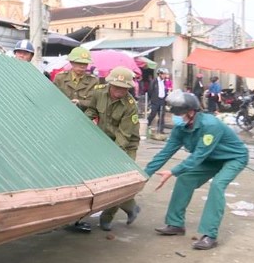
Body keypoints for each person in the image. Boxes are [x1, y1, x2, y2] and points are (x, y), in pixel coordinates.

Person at [144, 90, 248, 250]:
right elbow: (165, 152)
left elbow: (198, 156)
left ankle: (210, 235)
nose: (175, 116)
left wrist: (172, 171)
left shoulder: (210, 125)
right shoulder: (180, 128)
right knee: (185, 179)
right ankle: (175, 224)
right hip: (210, 159)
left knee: (217, 185)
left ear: (191, 112)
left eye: (179, 113)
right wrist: (144, 174)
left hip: (233, 158)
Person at [84, 66, 141, 231]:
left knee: (117, 182)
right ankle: (131, 207)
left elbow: (124, 136)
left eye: (124, 88)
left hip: (125, 145)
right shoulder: (98, 92)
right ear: (109, 84)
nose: (119, 91)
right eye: (116, 87)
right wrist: (83, 124)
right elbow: (92, 110)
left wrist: (111, 157)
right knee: (100, 178)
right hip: (104, 140)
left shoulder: (130, 106)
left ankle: (107, 217)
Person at [53, 47, 99, 111]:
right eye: (79, 63)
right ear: (71, 62)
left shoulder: (93, 81)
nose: (82, 66)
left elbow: (95, 102)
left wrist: (80, 102)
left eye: (85, 63)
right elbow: (53, 98)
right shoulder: (60, 78)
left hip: (83, 115)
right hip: (62, 113)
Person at [147, 68, 169, 134]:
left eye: (165, 74)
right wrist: (152, 99)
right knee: (153, 114)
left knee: (162, 115)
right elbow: (150, 91)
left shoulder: (164, 82)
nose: (164, 76)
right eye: (163, 74)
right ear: (159, 74)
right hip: (155, 100)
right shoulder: (154, 81)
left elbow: (165, 90)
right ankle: (147, 125)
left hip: (162, 100)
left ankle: (160, 130)